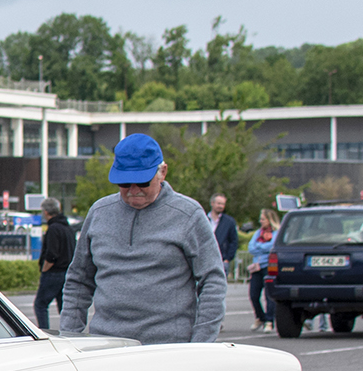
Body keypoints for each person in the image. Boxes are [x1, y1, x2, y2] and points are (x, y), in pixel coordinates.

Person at [61, 133, 226, 343]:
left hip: (168, 348)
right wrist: (70, 337)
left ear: (162, 172)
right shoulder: (99, 212)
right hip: (106, 346)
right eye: (124, 184)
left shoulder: (189, 215)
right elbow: (78, 280)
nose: (133, 191)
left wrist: (201, 344)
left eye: (142, 182)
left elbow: (213, 281)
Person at [32, 197, 73, 330]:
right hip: (67, 271)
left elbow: (52, 254)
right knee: (63, 306)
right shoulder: (67, 228)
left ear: (46, 212)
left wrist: (44, 269)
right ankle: (68, 332)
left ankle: (45, 331)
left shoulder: (53, 228)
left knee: (40, 304)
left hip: (54, 272)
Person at [247, 208, 279, 332]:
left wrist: (259, 247)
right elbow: (251, 247)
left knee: (269, 295)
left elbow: (272, 246)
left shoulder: (275, 233)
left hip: (269, 266)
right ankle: (260, 317)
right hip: (257, 266)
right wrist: (262, 247)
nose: (261, 221)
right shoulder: (258, 233)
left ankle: (269, 320)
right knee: (253, 294)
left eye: (263, 219)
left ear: (269, 220)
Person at [209, 194, 239, 264]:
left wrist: (227, 258)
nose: (221, 206)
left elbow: (234, 241)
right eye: (219, 203)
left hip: (222, 260)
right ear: (212, 203)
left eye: (223, 204)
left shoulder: (229, 222)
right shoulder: (203, 219)